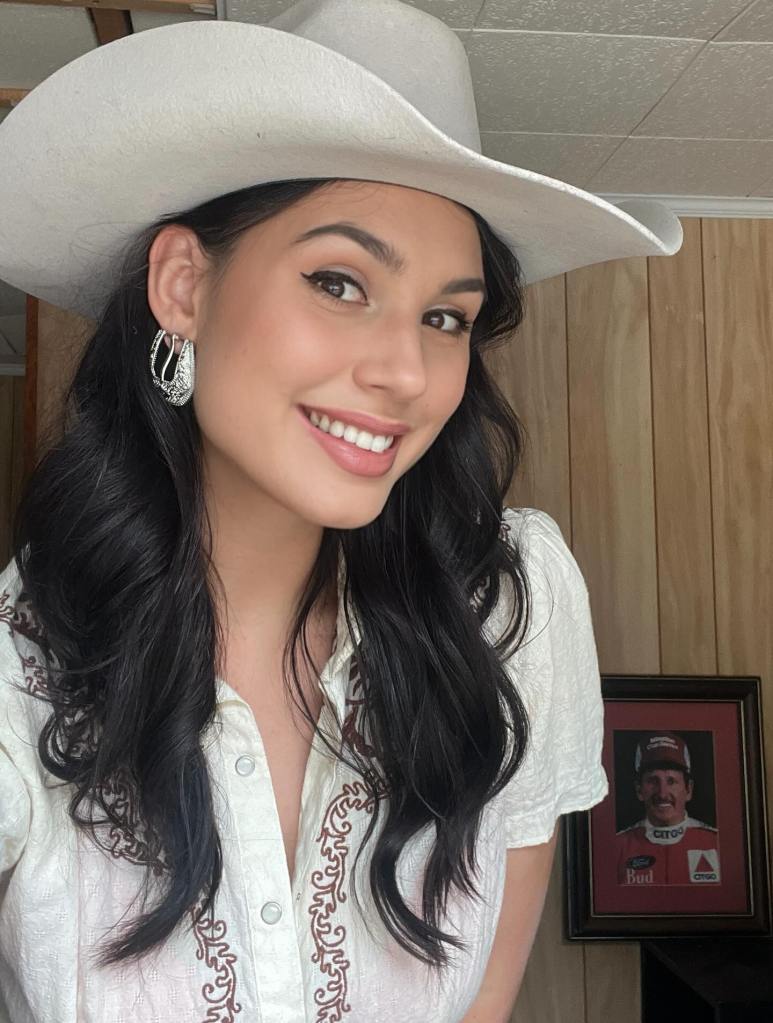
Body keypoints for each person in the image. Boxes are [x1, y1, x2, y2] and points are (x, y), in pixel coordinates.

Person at [0, 1, 683, 1020]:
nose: (407, 371)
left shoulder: (509, 611)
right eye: (338, 282)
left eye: (444, 316)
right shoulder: (20, 673)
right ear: (183, 285)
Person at [616, 732, 720, 886]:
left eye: (671, 781)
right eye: (653, 781)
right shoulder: (617, 847)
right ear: (639, 790)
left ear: (689, 789)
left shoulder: (717, 844)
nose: (662, 794)